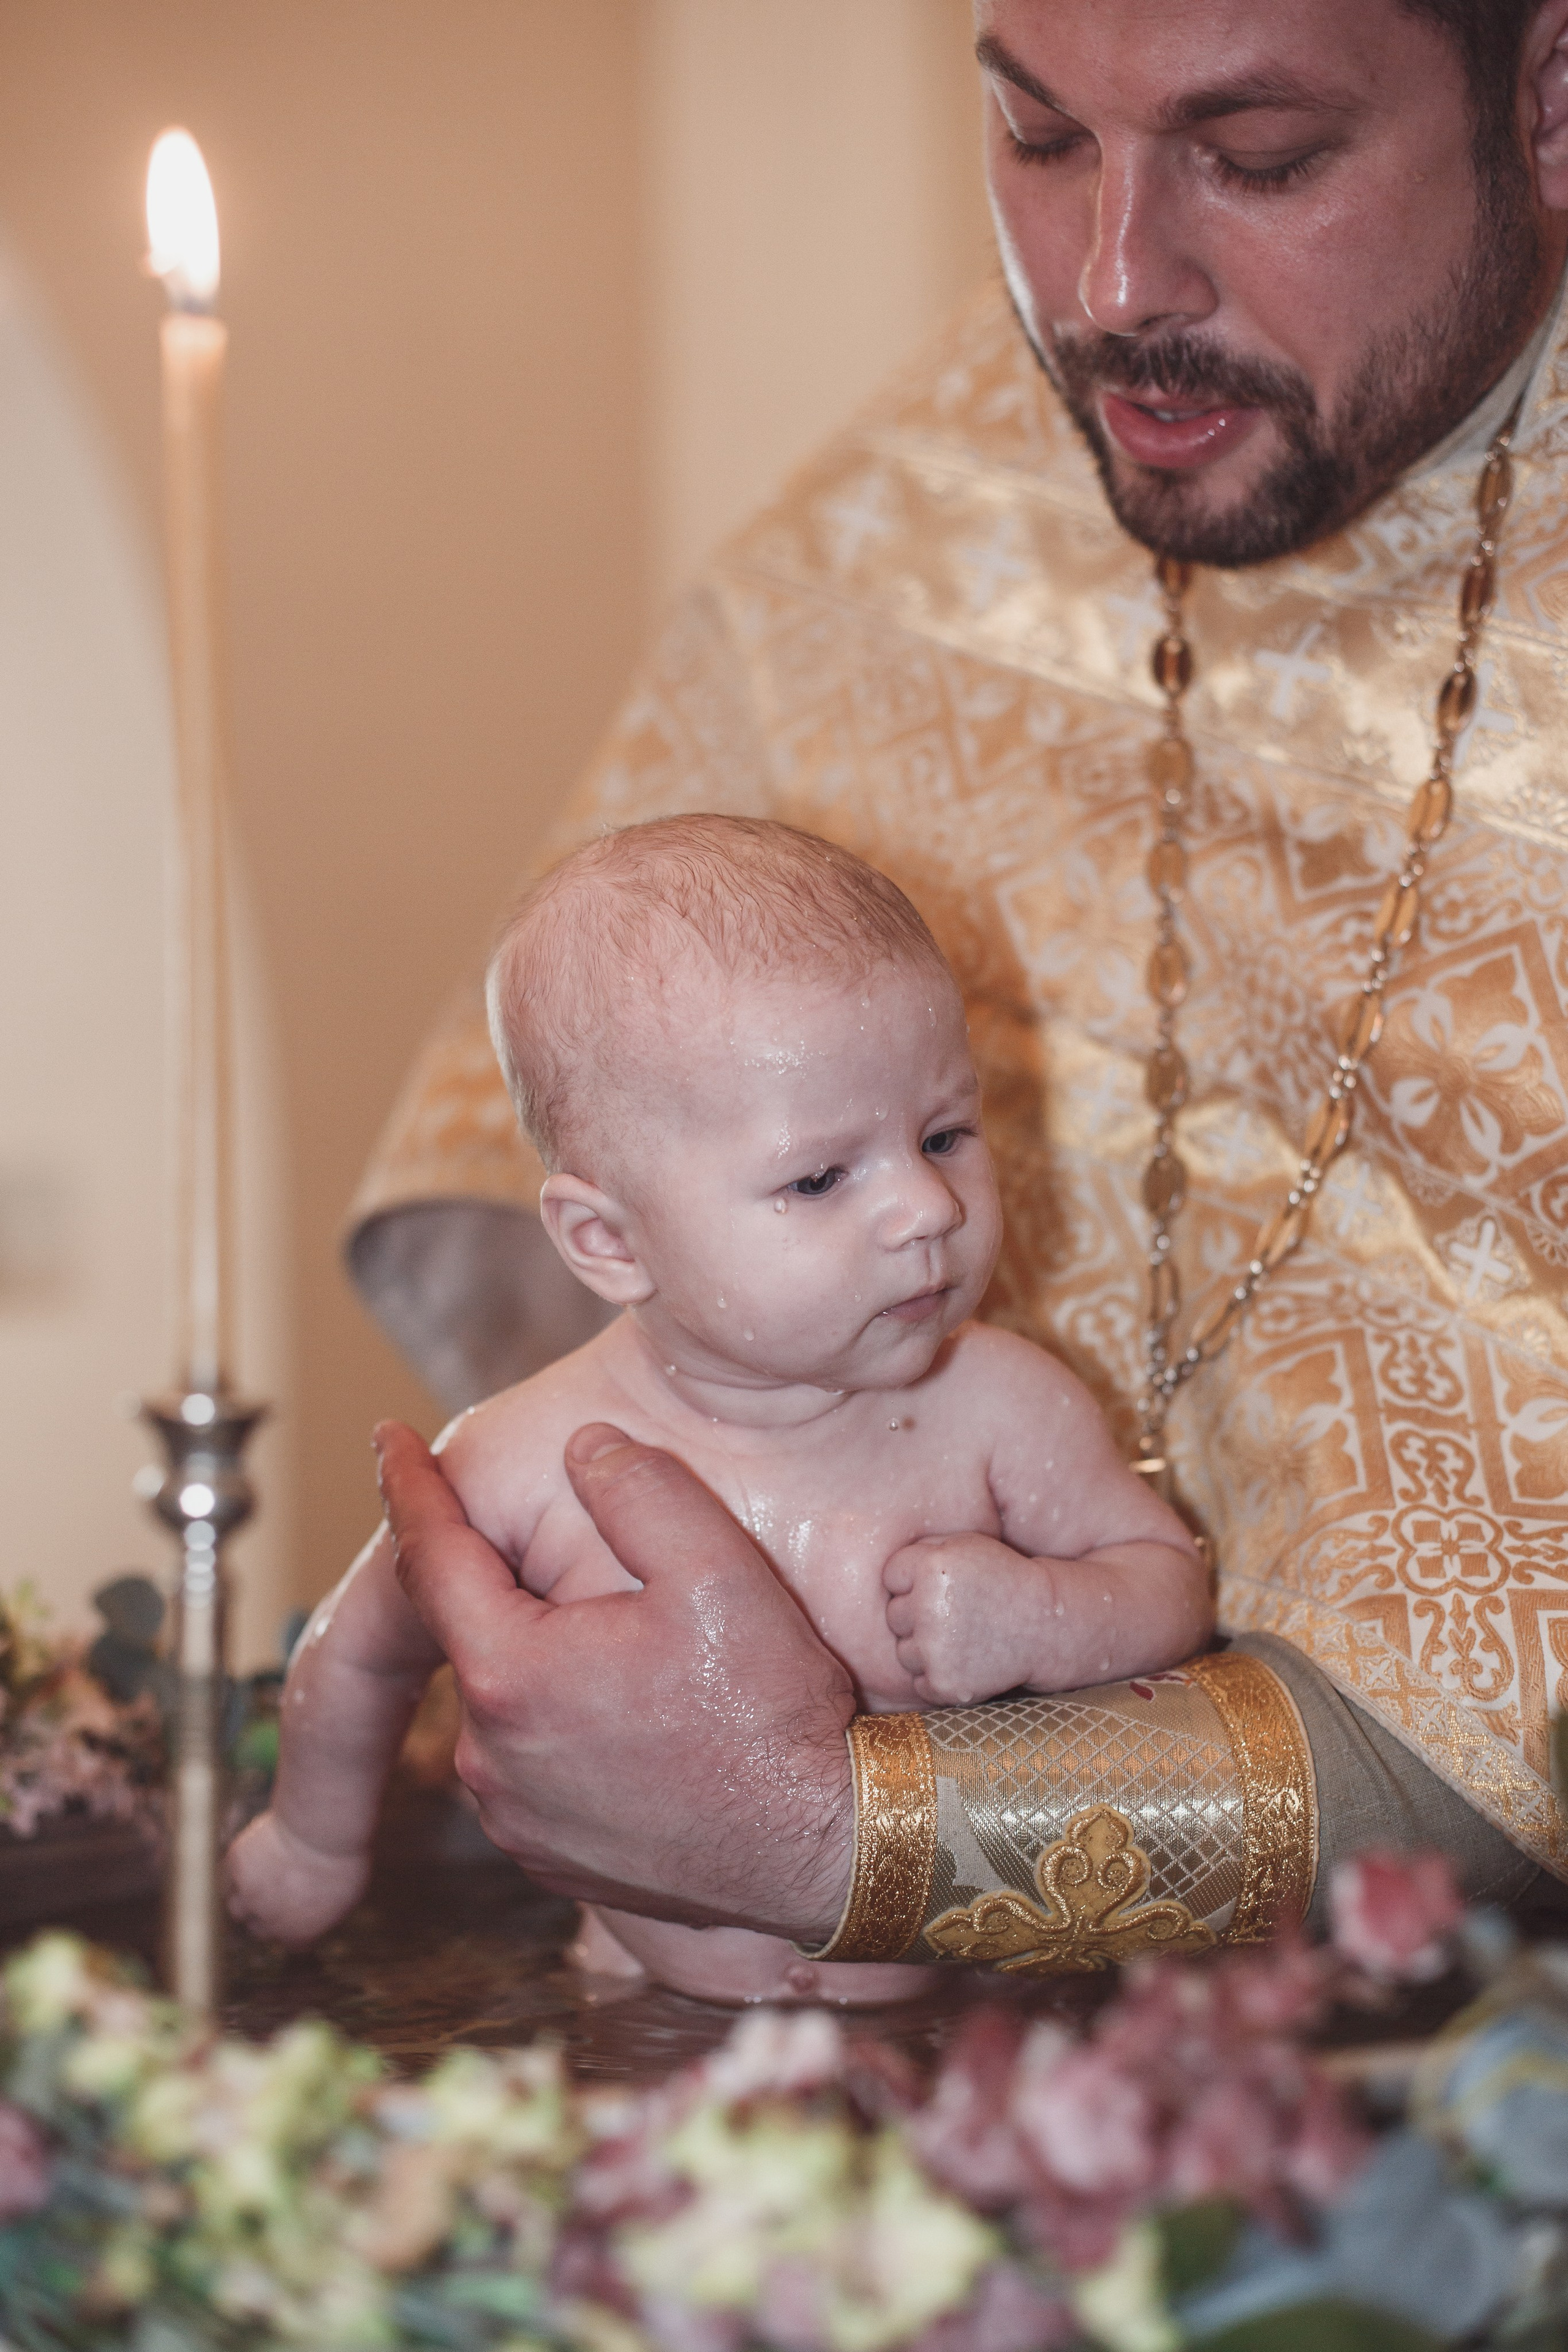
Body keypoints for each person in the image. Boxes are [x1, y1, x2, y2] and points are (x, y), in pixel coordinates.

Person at [348, 0, 1568, 1970]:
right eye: (1035, 132)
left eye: (1257, 160)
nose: (1110, 287)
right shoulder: (931, 506)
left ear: (1548, 103)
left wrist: (860, 1824)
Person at [230, 819, 1206, 1997]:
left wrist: (1051, 1615)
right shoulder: (519, 1459)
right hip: (639, 2003)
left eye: (945, 1135)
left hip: (950, 2005)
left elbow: (1168, 1581)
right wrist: (314, 1840)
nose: (927, 1207)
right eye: (819, 1177)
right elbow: (363, 1658)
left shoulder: (1000, 1407)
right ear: (608, 1241)